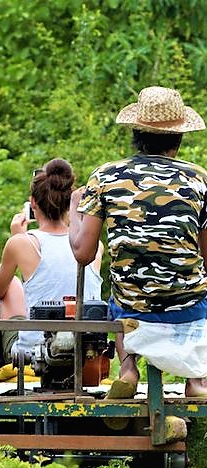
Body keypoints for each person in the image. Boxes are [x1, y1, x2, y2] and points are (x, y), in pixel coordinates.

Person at [70, 86, 207, 398]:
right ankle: (196, 380)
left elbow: (83, 253)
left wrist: (73, 210)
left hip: (133, 305)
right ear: (179, 137)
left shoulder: (105, 177)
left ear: (136, 133)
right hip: (188, 305)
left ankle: (129, 368)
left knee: (118, 295)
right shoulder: (200, 179)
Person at [0, 159, 103, 364]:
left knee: (8, 286)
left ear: (33, 202)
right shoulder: (95, 246)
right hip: (87, 353)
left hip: (34, 354)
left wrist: (15, 237)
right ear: (69, 202)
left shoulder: (23, 243)